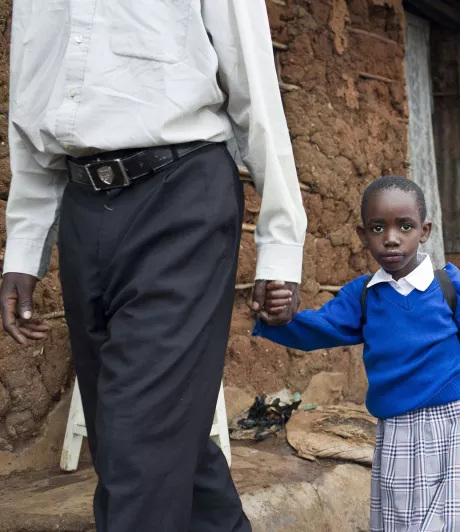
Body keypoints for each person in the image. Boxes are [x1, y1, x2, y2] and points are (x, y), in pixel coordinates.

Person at [1, 2, 307, 531]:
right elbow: (29, 101)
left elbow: (255, 88)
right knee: (150, 432)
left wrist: (280, 243)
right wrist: (25, 247)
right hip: (82, 203)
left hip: (182, 196)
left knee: (137, 433)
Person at [254, 176, 460, 531]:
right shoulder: (364, 296)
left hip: (458, 432)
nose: (392, 238)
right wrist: (280, 318)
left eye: (405, 226)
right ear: (362, 235)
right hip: (398, 437)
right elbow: (317, 329)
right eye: (378, 227)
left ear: (424, 230)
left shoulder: (451, 289)